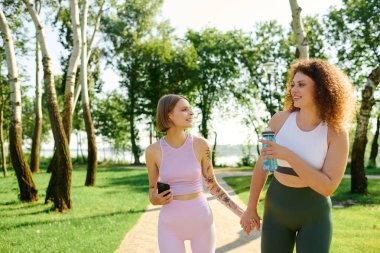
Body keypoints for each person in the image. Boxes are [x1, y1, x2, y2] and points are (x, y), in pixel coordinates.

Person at [240, 58, 356, 253]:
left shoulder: (336, 132)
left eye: (301, 85)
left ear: (321, 88)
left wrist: (288, 155)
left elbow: (327, 187)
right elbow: (262, 167)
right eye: (293, 84)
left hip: (314, 216)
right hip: (276, 210)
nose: (294, 89)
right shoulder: (279, 120)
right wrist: (251, 208)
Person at [145, 94, 246, 253]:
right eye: (185, 109)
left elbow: (213, 186)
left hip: (201, 222)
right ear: (169, 115)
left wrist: (242, 213)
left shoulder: (201, 145)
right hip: (169, 226)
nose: (191, 113)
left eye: (191, 109)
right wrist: (155, 199)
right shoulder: (152, 151)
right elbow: (152, 190)